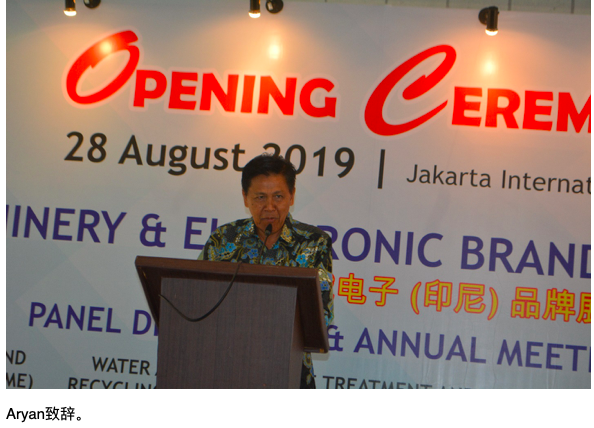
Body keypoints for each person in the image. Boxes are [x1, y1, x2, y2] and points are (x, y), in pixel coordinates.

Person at [200, 153, 334, 389]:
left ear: (292, 196)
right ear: (245, 198)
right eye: (260, 197)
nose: (269, 207)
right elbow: (199, 300)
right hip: (226, 367)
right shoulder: (223, 239)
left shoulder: (314, 242)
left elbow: (323, 315)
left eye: (278, 197)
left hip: (289, 371)